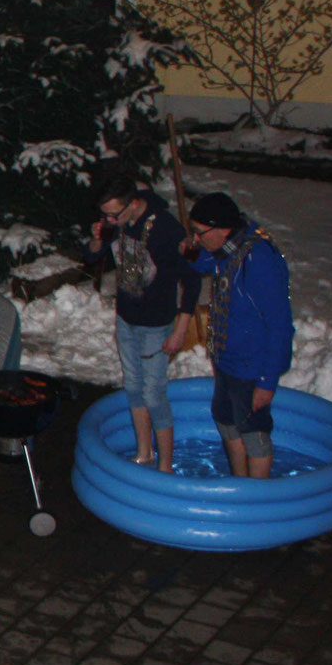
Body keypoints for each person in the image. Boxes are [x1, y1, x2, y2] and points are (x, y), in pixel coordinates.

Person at [84, 170, 202, 472]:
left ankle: (165, 466)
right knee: (133, 386)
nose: (110, 220)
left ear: (134, 204)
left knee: (154, 393)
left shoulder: (167, 230)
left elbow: (192, 282)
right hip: (126, 318)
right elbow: (92, 259)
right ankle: (143, 452)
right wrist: (97, 240)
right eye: (105, 215)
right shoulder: (117, 222)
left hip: (156, 325)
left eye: (113, 215)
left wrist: (180, 331)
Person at [186, 192, 294, 479]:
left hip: (251, 366)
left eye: (199, 232)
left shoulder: (259, 260)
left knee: (254, 434)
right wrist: (190, 250)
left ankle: (256, 501)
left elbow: (280, 326)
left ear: (222, 229)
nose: (196, 238)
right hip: (226, 359)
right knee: (225, 421)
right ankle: (239, 483)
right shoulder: (227, 248)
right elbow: (201, 265)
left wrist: (267, 381)